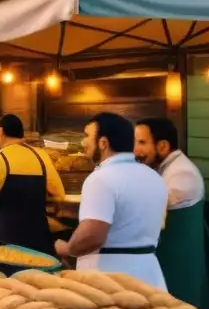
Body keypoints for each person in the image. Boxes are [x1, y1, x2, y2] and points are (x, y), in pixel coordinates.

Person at [56, 112, 168, 288]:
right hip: (150, 275)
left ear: (103, 143)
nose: (83, 142)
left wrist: (67, 248)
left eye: (87, 136)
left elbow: (92, 236)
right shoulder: (155, 177)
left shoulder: (100, 178)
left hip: (109, 280)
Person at [135, 117, 209, 309]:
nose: (135, 151)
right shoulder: (165, 168)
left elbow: (150, 211)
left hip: (179, 261)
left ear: (163, 146)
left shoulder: (181, 173)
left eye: (141, 143)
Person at [0, 114, 66, 254]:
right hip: (38, 241)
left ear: (1, 131)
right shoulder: (41, 156)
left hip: (5, 241)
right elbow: (59, 195)